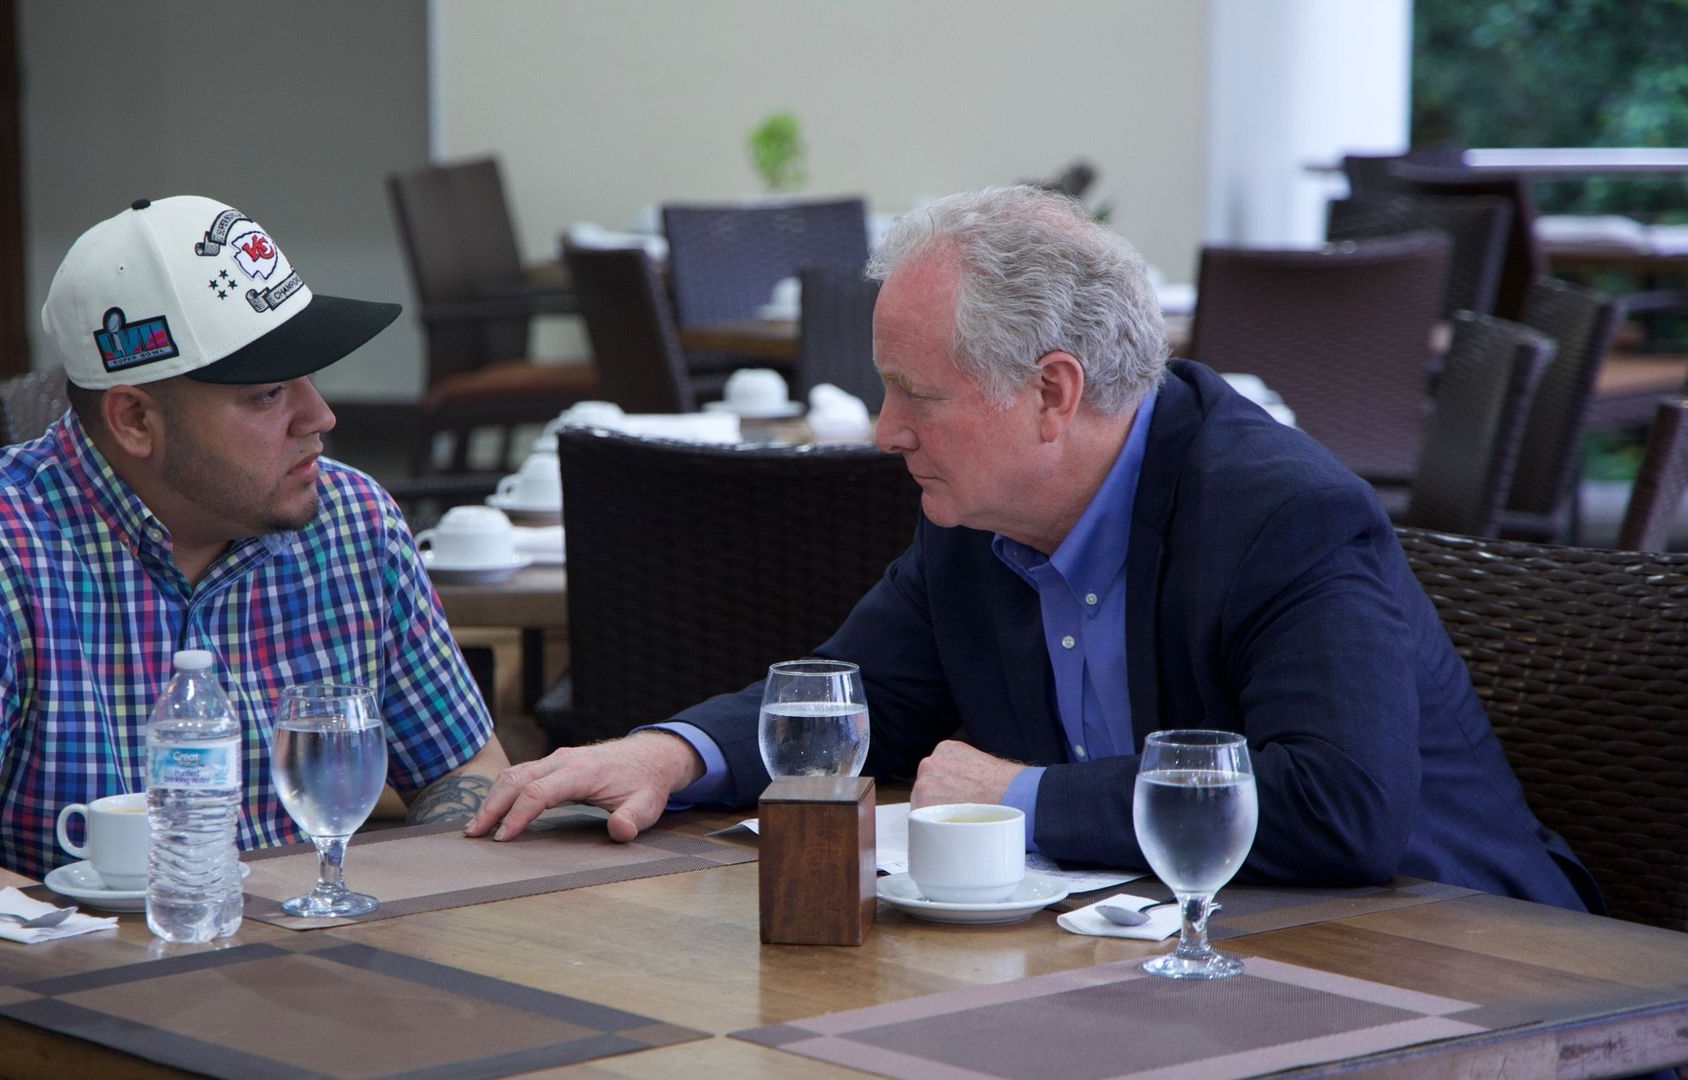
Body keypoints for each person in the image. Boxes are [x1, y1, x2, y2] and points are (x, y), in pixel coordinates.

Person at [467, 185, 1593, 915]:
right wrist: (670, 754)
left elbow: (1339, 807)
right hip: (1182, 958)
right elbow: (855, 698)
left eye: (915, 394)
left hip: (1458, 958)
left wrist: (1027, 798)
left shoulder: (1280, 515)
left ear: (1053, 393)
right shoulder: (980, 516)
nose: (885, 431)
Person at [0, 196, 508, 1077]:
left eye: (309, 378)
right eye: (268, 393)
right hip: (22, 1032)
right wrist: (148, 961)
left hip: (302, 1011)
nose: (321, 416)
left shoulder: (351, 523)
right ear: (135, 420)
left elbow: (468, 773)